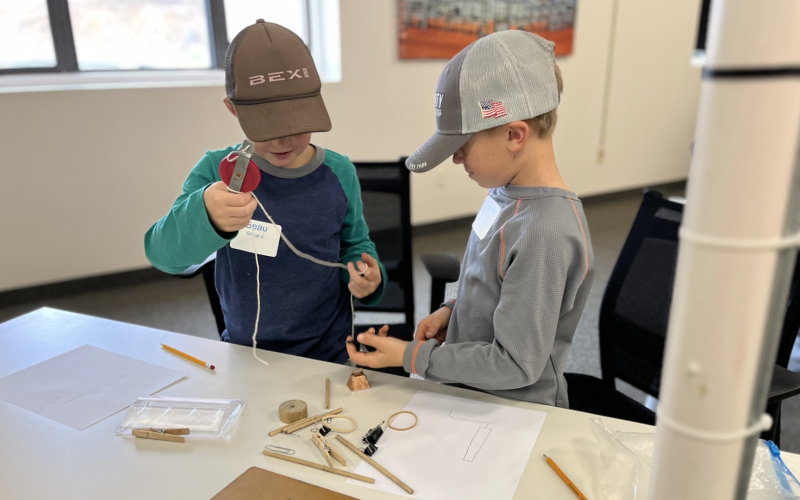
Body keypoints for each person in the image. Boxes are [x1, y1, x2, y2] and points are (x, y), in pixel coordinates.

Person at [347, 30, 594, 407]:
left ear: (514, 135)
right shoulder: (503, 193)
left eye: (462, 146)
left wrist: (410, 356)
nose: (456, 159)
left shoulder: (546, 233)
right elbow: (483, 273)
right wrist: (453, 308)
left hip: (514, 410)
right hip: (471, 389)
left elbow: (514, 364)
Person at [145, 20, 386, 363]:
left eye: (295, 122)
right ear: (233, 109)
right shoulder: (217, 172)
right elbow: (163, 255)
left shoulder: (339, 172)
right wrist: (205, 215)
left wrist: (368, 275)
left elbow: (356, 244)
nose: (281, 140)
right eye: (266, 125)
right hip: (248, 354)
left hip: (331, 352)